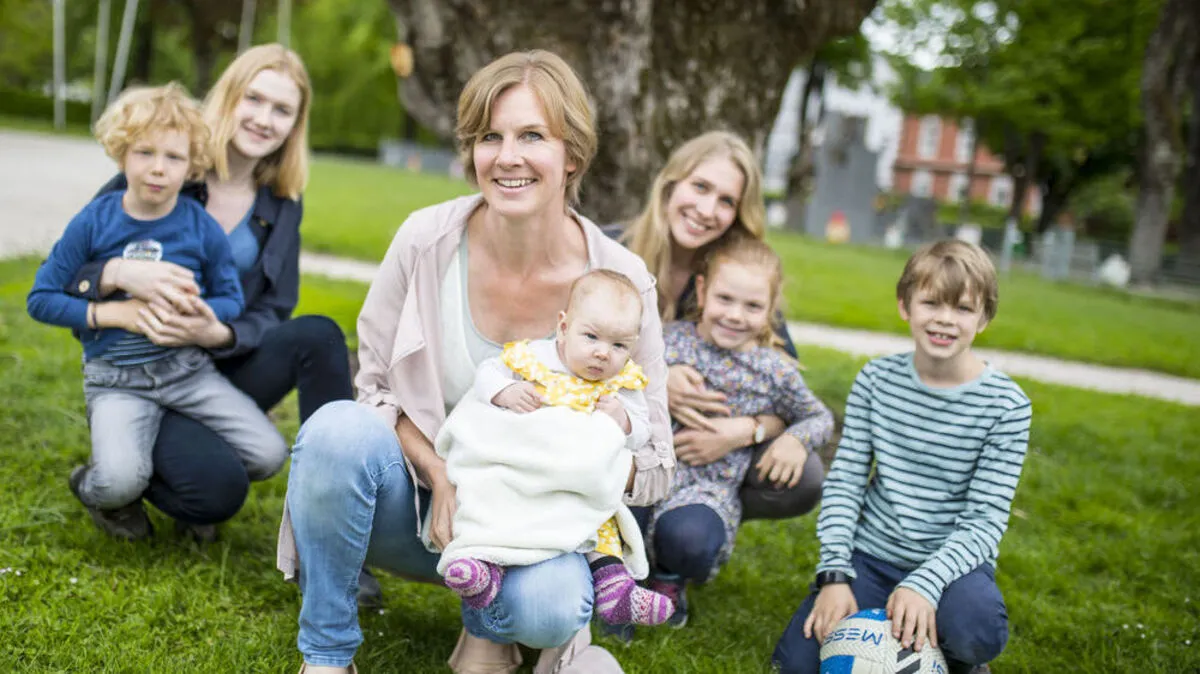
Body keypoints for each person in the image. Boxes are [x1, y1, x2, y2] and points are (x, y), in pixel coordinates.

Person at [278, 50, 673, 674]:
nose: (507, 156)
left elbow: (657, 467)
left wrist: (584, 447)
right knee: (333, 433)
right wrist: (440, 473)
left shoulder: (623, 282)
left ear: (572, 155)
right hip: (426, 511)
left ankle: (490, 627)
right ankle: (327, 655)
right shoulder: (424, 241)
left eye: (532, 136)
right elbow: (374, 390)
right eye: (491, 136)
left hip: (538, 539)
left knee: (549, 606)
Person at [62, 44, 353, 545]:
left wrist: (219, 331)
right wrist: (117, 272)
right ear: (228, 98)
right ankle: (114, 481)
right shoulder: (166, 164)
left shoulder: (282, 202)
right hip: (141, 367)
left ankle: (334, 530)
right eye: (254, 99)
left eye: (282, 109)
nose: (264, 119)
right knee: (217, 492)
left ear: (295, 124)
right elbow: (73, 277)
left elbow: (275, 307)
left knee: (320, 335)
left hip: (219, 363)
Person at [27, 83, 288, 541]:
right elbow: (42, 298)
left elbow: (231, 300)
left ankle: (181, 479)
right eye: (144, 152)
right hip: (116, 380)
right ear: (121, 153)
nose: (157, 169)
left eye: (173, 158)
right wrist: (116, 315)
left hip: (187, 371)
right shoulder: (94, 221)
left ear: (193, 166)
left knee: (268, 453)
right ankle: (94, 486)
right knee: (117, 480)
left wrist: (201, 314)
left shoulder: (201, 228)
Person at [771, 239, 1032, 674]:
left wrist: (925, 585)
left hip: (952, 566)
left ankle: (956, 656)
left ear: (984, 317)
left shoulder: (1006, 406)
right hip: (871, 557)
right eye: (931, 302)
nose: (945, 319)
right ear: (904, 305)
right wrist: (835, 576)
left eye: (963, 309)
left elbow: (985, 522)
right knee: (798, 665)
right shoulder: (876, 380)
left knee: (977, 632)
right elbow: (846, 483)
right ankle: (914, 633)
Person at [440, 269, 674, 627]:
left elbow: (641, 434)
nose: (602, 354)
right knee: (495, 504)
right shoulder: (533, 358)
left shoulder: (622, 384)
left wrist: (622, 420)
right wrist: (504, 393)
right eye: (591, 336)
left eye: (618, 346)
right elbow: (487, 374)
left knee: (597, 517)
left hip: (572, 486)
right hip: (521, 472)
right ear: (564, 327)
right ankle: (482, 565)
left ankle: (615, 589)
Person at [620, 131, 824, 522]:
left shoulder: (740, 279)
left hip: (705, 452)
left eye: (726, 200)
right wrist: (654, 380)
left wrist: (747, 430)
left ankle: (696, 529)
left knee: (807, 475)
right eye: (700, 187)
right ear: (670, 183)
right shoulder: (613, 252)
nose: (707, 209)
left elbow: (784, 387)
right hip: (620, 426)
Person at [639, 235, 834, 628]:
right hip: (644, 471)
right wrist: (656, 378)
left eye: (752, 306)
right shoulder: (667, 339)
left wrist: (795, 439)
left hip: (706, 488)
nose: (735, 315)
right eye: (725, 299)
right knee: (619, 517)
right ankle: (619, 580)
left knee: (691, 541)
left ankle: (670, 577)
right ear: (702, 291)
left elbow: (820, 417)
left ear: (770, 311)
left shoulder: (773, 371)